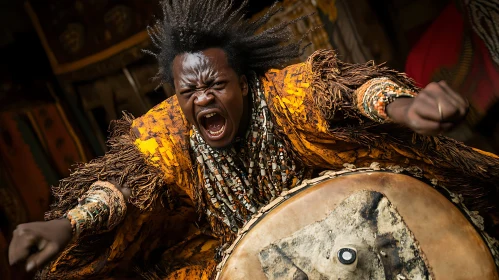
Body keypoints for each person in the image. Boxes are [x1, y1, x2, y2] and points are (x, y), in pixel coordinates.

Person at [8, 0, 499, 278]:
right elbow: (126, 186)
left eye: (215, 85)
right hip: (228, 259)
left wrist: (404, 107)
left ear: (243, 83)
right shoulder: (167, 130)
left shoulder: (283, 93)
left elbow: (344, 95)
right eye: (190, 91)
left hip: (341, 234)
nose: (203, 98)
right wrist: (70, 225)